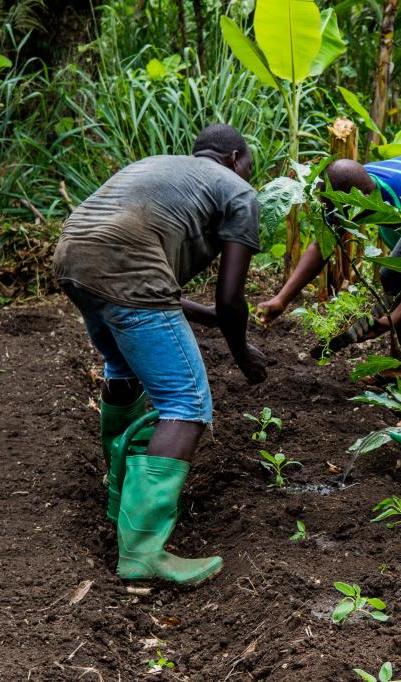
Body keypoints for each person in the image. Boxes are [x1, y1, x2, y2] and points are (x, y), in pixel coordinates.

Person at [53, 124, 267, 586]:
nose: (251, 173)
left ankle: (119, 501)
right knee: (186, 404)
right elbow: (230, 300)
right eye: (250, 164)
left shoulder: (161, 169)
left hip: (72, 256)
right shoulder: (239, 192)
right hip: (124, 266)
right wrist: (243, 355)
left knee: (121, 367)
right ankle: (143, 549)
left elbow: (149, 286)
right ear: (235, 157)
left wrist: (212, 319)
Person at [255, 151, 401, 425]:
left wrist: (396, 315)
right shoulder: (343, 193)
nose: (336, 215)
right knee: (392, 278)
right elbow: (322, 246)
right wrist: (282, 299)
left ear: (361, 200)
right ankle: (397, 368)